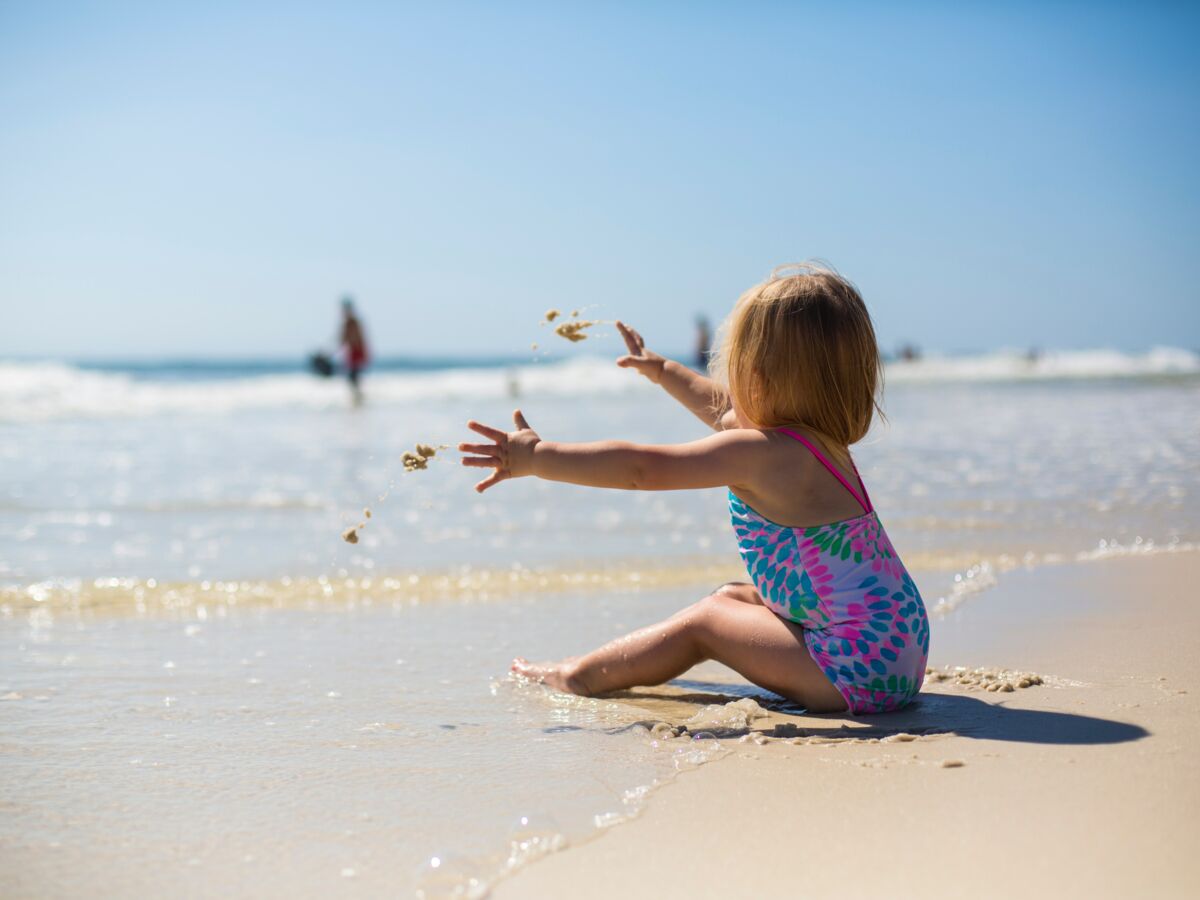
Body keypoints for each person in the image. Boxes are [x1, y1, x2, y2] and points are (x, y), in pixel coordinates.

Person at [459, 263, 929, 715]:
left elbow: (643, 469)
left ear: (758, 379)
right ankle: (608, 667)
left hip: (856, 670)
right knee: (731, 597)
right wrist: (662, 370)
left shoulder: (765, 455)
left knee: (706, 622)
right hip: (896, 647)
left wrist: (538, 458)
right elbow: (721, 409)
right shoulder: (817, 444)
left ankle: (577, 675)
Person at [339, 296, 370, 404]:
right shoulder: (349, 322)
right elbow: (343, 340)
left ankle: (358, 398)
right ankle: (358, 398)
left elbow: (353, 339)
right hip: (353, 352)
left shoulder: (352, 322)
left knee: (353, 377)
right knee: (353, 377)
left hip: (356, 352)